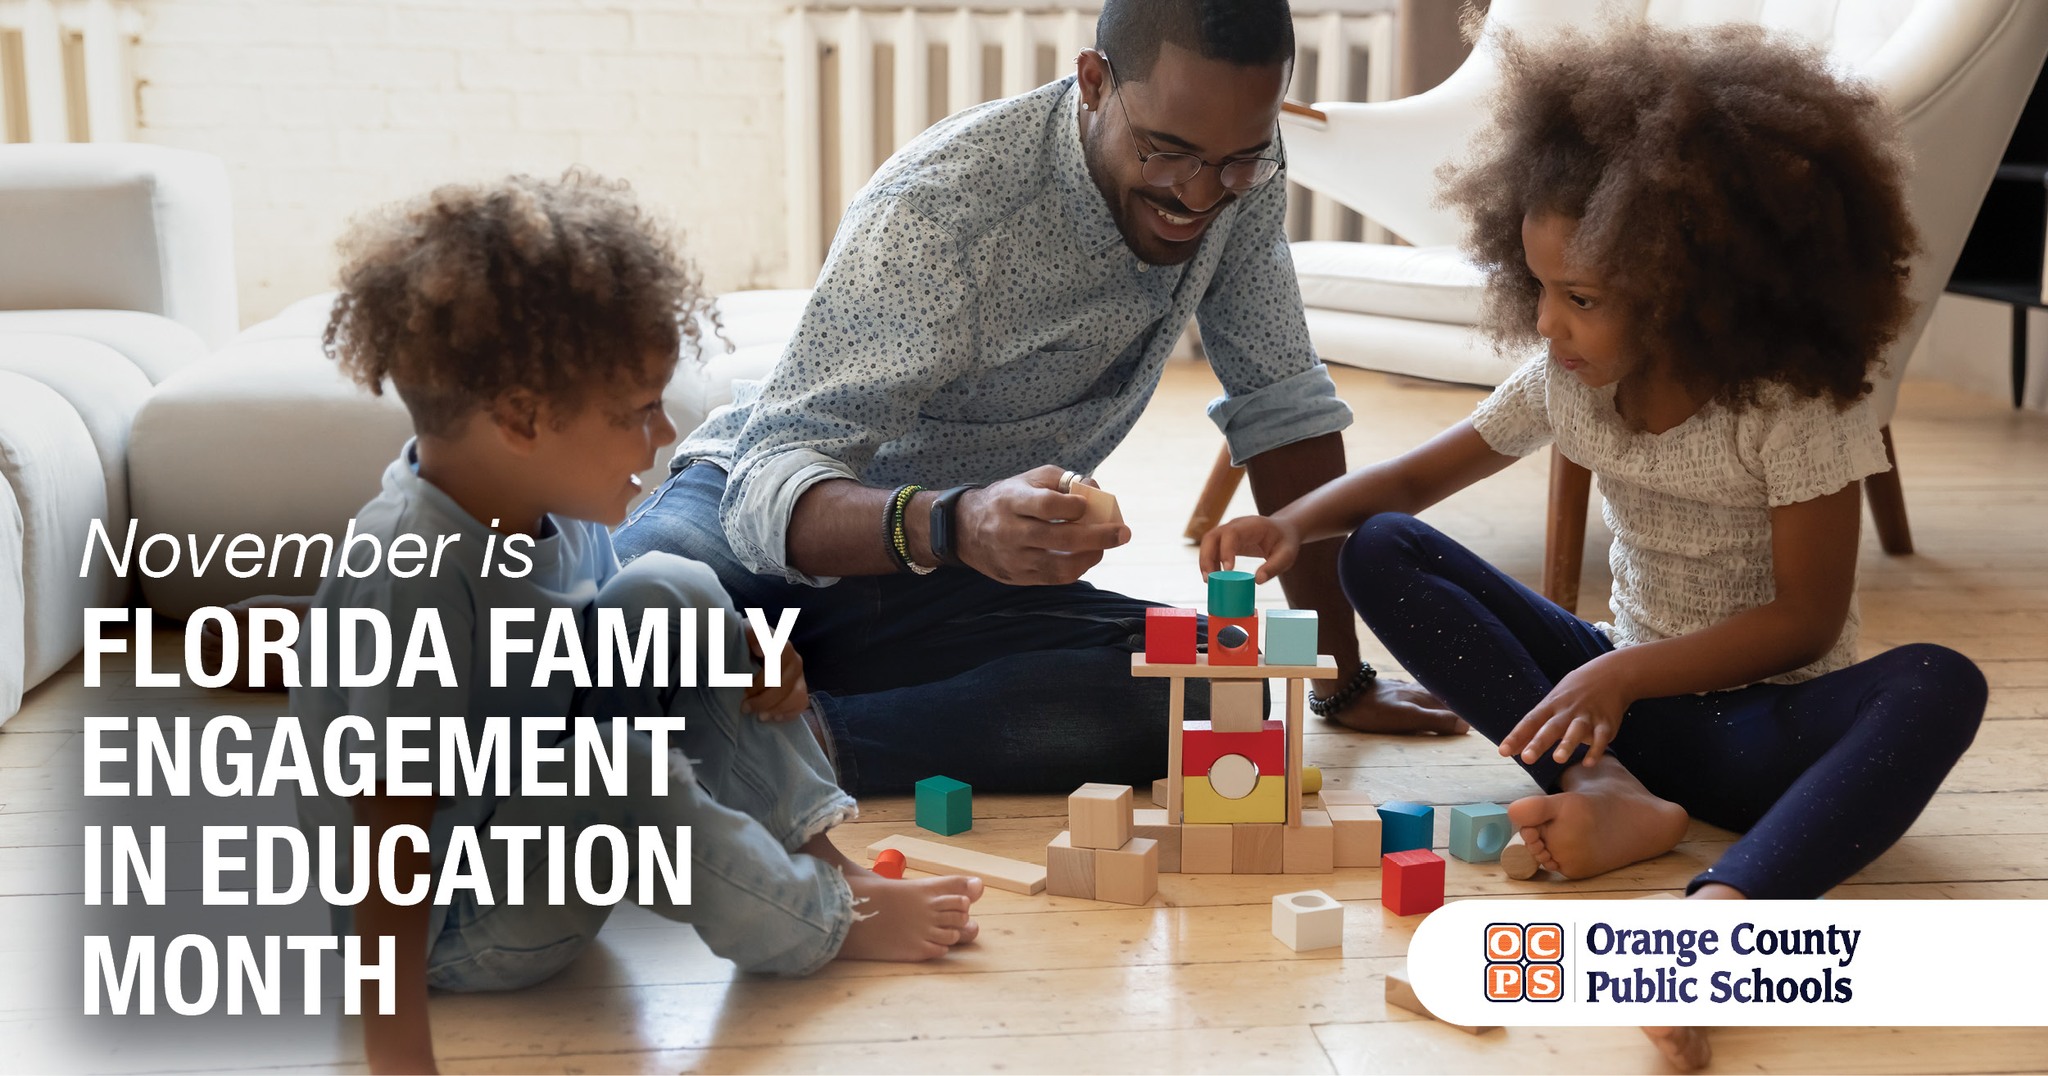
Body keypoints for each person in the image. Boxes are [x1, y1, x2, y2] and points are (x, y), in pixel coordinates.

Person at [1200, 22, 1986, 1066]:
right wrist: (1297, 518)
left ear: (1691, 291)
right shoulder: (1566, 384)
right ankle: (1605, 791)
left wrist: (1621, 670)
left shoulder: (1795, 408)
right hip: (1605, 712)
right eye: (1535, 287)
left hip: (1760, 731)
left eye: (1579, 299)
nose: (1546, 324)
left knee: (1938, 681)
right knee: (1380, 546)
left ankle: (1719, 920)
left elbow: (1801, 620)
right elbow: (1411, 483)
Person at [617, 0, 1465, 797]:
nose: (1200, 195)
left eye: (1237, 159)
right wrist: (956, 521)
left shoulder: (1245, 180)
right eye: (1167, 150)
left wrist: (1342, 678)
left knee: (1217, 691)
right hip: (765, 526)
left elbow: (1284, 407)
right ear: (1094, 82)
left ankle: (807, 745)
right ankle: (752, 701)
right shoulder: (941, 206)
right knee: (626, 619)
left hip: (960, 589)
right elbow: (769, 479)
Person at [294, 172, 983, 1075]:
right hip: (450, 928)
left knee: (676, 589)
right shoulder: (413, 568)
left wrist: (743, 658)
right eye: (637, 412)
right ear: (522, 418)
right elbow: (391, 827)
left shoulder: (544, 498)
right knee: (619, 766)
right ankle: (819, 918)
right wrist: (396, 1057)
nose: (664, 435)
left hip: (528, 816)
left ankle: (822, 858)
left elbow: (628, 650)